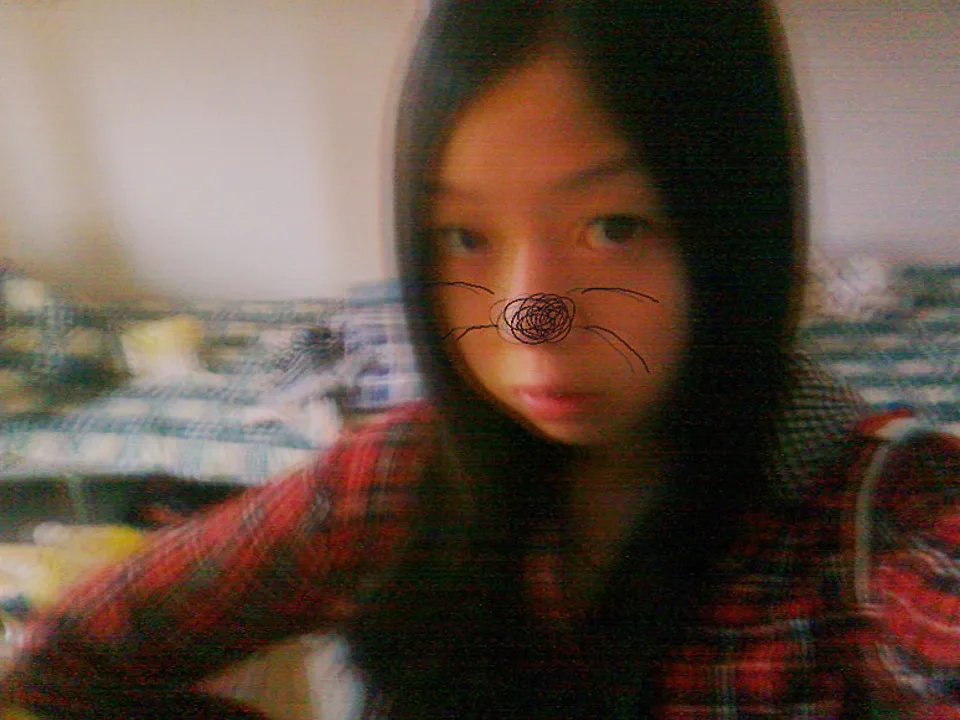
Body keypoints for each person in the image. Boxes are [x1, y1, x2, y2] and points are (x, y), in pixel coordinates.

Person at [2, 0, 959, 717]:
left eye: (614, 226)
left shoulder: (870, 529)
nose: (524, 321)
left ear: (739, 225)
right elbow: (63, 661)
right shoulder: (396, 481)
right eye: (464, 236)